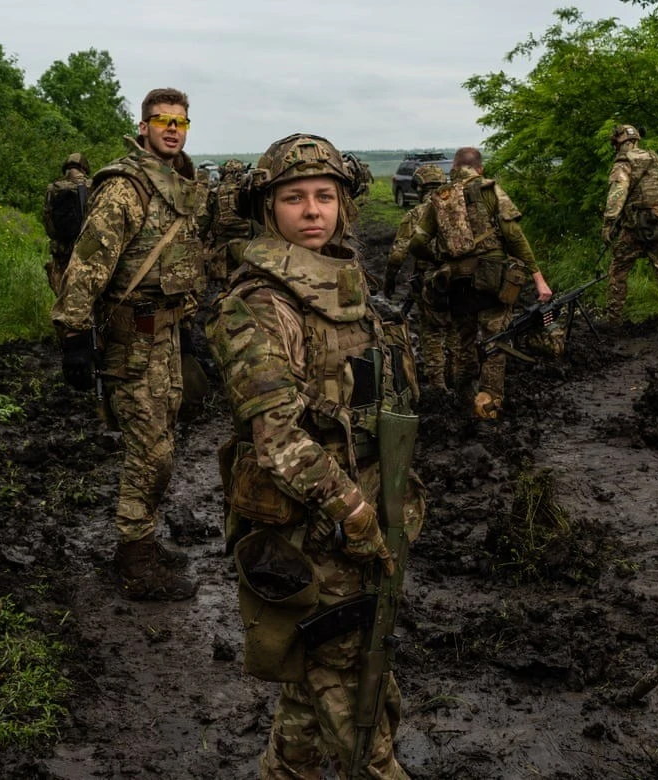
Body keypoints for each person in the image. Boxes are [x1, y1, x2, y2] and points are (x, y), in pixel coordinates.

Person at [206, 133, 424, 778]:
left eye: (325, 196)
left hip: (365, 511)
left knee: (315, 692)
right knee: (356, 694)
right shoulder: (260, 303)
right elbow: (277, 436)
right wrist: (354, 514)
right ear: (267, 209)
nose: (312, 210)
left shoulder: (349, 288)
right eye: (294, 197)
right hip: (312, 526)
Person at [52, 87, 209, 601]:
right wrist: (74, 337)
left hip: (164, 336)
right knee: (152, 451)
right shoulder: (126, 187)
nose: (171, 128)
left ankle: (141, 536)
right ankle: (133, 555)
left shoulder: (178, 182)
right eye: (161, 120)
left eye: (180, 121)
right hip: (131, 341)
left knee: (163, 443)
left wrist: (187, 326)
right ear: (143, 127)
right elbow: (87, 267)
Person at [407, 146, 552, 420]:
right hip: (492, 280)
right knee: (496, 341)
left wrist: (441, 258)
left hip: (457, 284)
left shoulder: (439, 198)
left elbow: (417, 243)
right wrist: (538, 278)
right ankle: (489, 406)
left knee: (463, 344)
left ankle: (463, 403)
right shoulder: (489, 190)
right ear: (480, 168)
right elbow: (513, 235)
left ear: (453, 168)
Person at [384, 163, 453, 398]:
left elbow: (397, 254)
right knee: (459, 330)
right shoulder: (459, 209)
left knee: (432, 334)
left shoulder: (415, 214)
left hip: (432, 282)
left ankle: (438, 385)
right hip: (463, 280)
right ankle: (460, 377)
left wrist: (389, 281)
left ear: (419, 186)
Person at [601, 124, 658, 323]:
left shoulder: (623, 162)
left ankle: (613, 320)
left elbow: (617, 195)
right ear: (636, 140)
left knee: (618, 271)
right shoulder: (654, 158)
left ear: (618, 142)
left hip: (633, 229)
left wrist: (608, 223)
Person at [42, 152, 92, 293]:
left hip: (61, 250)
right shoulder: (91, 185)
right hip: (84, 249)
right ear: (84, 168)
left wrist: (57, 239)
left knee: (62, 292)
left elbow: (47, 219)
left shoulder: (53, 188)